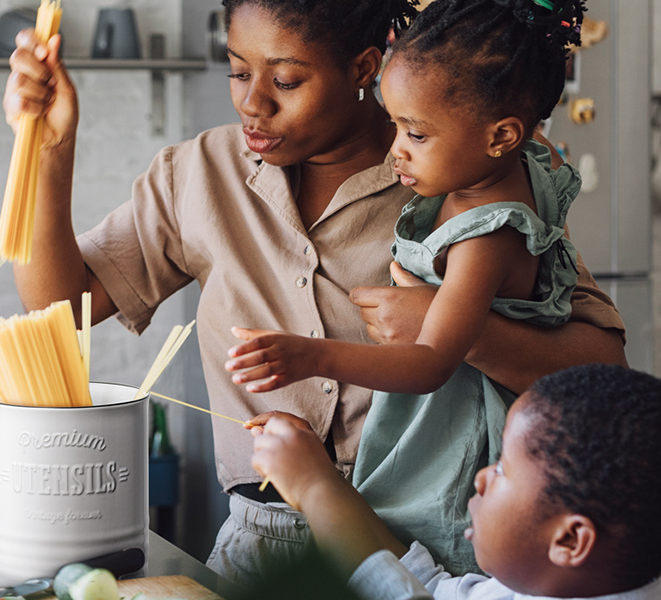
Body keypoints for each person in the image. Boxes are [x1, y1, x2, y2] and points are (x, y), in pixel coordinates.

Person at [2, 0, 627, 583]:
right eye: (238, 71)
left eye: (287, 81)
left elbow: (604, 368)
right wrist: (49, 149)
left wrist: (457, 330)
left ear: (363, 67)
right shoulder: (198, 173)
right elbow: (61, 307)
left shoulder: (463, 170)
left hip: (432, 549)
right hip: (262, 544)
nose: (253, 104)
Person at [224, 0, 594, 575]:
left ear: (501, 136)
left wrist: (311, 355)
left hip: (455, 446)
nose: (394, 148)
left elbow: (428, 364)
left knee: (417, 567)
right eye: (395, 124)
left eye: (416, 133)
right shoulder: (516, 168)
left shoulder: (486, 235)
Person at [247, 364, 661, 600]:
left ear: (570, 538)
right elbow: (422, 584)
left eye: (502, 471)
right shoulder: (586, 580)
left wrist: (313, 488)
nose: (481, 477)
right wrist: (319, 479)